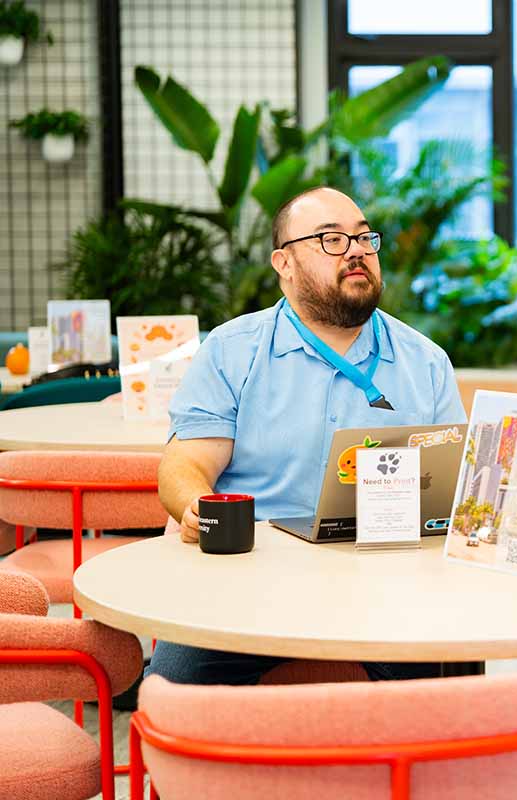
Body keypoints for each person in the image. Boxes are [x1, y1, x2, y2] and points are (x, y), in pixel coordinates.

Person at [149, 187, 467, 685]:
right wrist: (196, 508)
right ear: (285, 263)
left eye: (364, 238)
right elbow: (185, 466)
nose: (357, 250)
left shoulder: (424, 362)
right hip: (246, 582)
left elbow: (454, 488)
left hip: (389, 586)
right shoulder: (231, 351)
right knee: (173, 700)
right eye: (332, 240)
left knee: (450, 700)